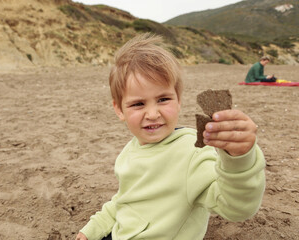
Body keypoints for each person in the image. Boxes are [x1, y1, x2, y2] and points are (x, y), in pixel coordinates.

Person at [76, 34, 266, 240]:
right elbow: (123, 201)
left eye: (163, 99)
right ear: (119, 109)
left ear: (178, 101)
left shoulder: (193, 153)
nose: (152, 114)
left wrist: (239, 160)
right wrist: (92, 229)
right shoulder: (129, 151)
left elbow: (237, 207)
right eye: (138, 104)